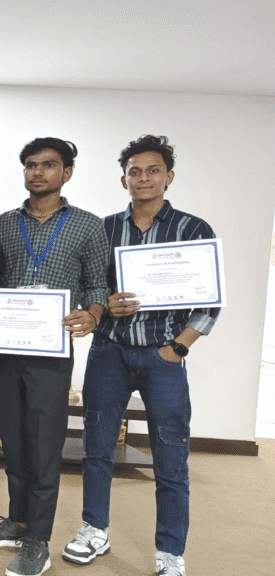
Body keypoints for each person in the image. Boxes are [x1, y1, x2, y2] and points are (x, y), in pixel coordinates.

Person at [61, 136, 218, 576]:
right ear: (123, 179)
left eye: (153, 171)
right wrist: (103, 305)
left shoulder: (193, 229)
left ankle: (170, 553)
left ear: (169, 177)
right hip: (109, 351)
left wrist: (177, 348)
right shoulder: (104, 229)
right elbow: (88, 285)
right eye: (134, 171)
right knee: (96, 447)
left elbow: (209, 301)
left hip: (162, 356)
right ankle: (94, 530)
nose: (143, 178)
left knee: (171, 456)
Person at [0, 137, 109, 576]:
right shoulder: (3, 224)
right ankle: (18, 521)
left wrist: (93, 315)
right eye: (30, 165)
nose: (38, 172)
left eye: (48, 165)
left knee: (44, 444)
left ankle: (37, 541)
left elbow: (97, 286)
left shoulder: (88, 226)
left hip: (51, 351)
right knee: (13, 438)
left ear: (67, 172)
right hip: (8, 348)